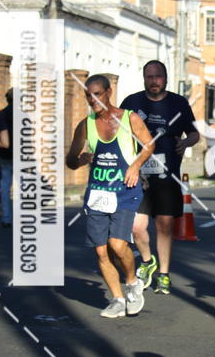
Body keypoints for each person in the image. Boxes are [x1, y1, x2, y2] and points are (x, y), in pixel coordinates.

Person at [66, 74, 155, 318]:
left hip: (125, 192)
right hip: (97, 193)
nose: (92, 99)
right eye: (88, 95)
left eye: (97, 94)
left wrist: (135, 166)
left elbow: (149, 145)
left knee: (118, 244)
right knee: (101, 251)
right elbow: (70, 160)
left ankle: (131, 282)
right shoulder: (86, 125)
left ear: (109, 92)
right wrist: (80, 159)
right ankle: (117, 299)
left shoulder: (129, 118)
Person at [121, 61, 200, 295]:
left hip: (167, 175)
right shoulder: (131, 103)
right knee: (136, 227)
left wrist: (186, 142)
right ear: (143, 78)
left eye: (158, 77)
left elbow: (194, 133)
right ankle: (147, 261)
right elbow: (119, 131)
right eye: (149, 76)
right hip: (138, 173)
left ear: (166, 78)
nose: (153, 81)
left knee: (164, 226)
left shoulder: (178, 103)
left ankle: (163, 274)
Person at [0, 88, 12, 227]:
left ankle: (7, 218)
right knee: (25, 186)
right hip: (21, 156)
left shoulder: (1, 114)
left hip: (4, 156)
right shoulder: (25, 115)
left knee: (5, 185)